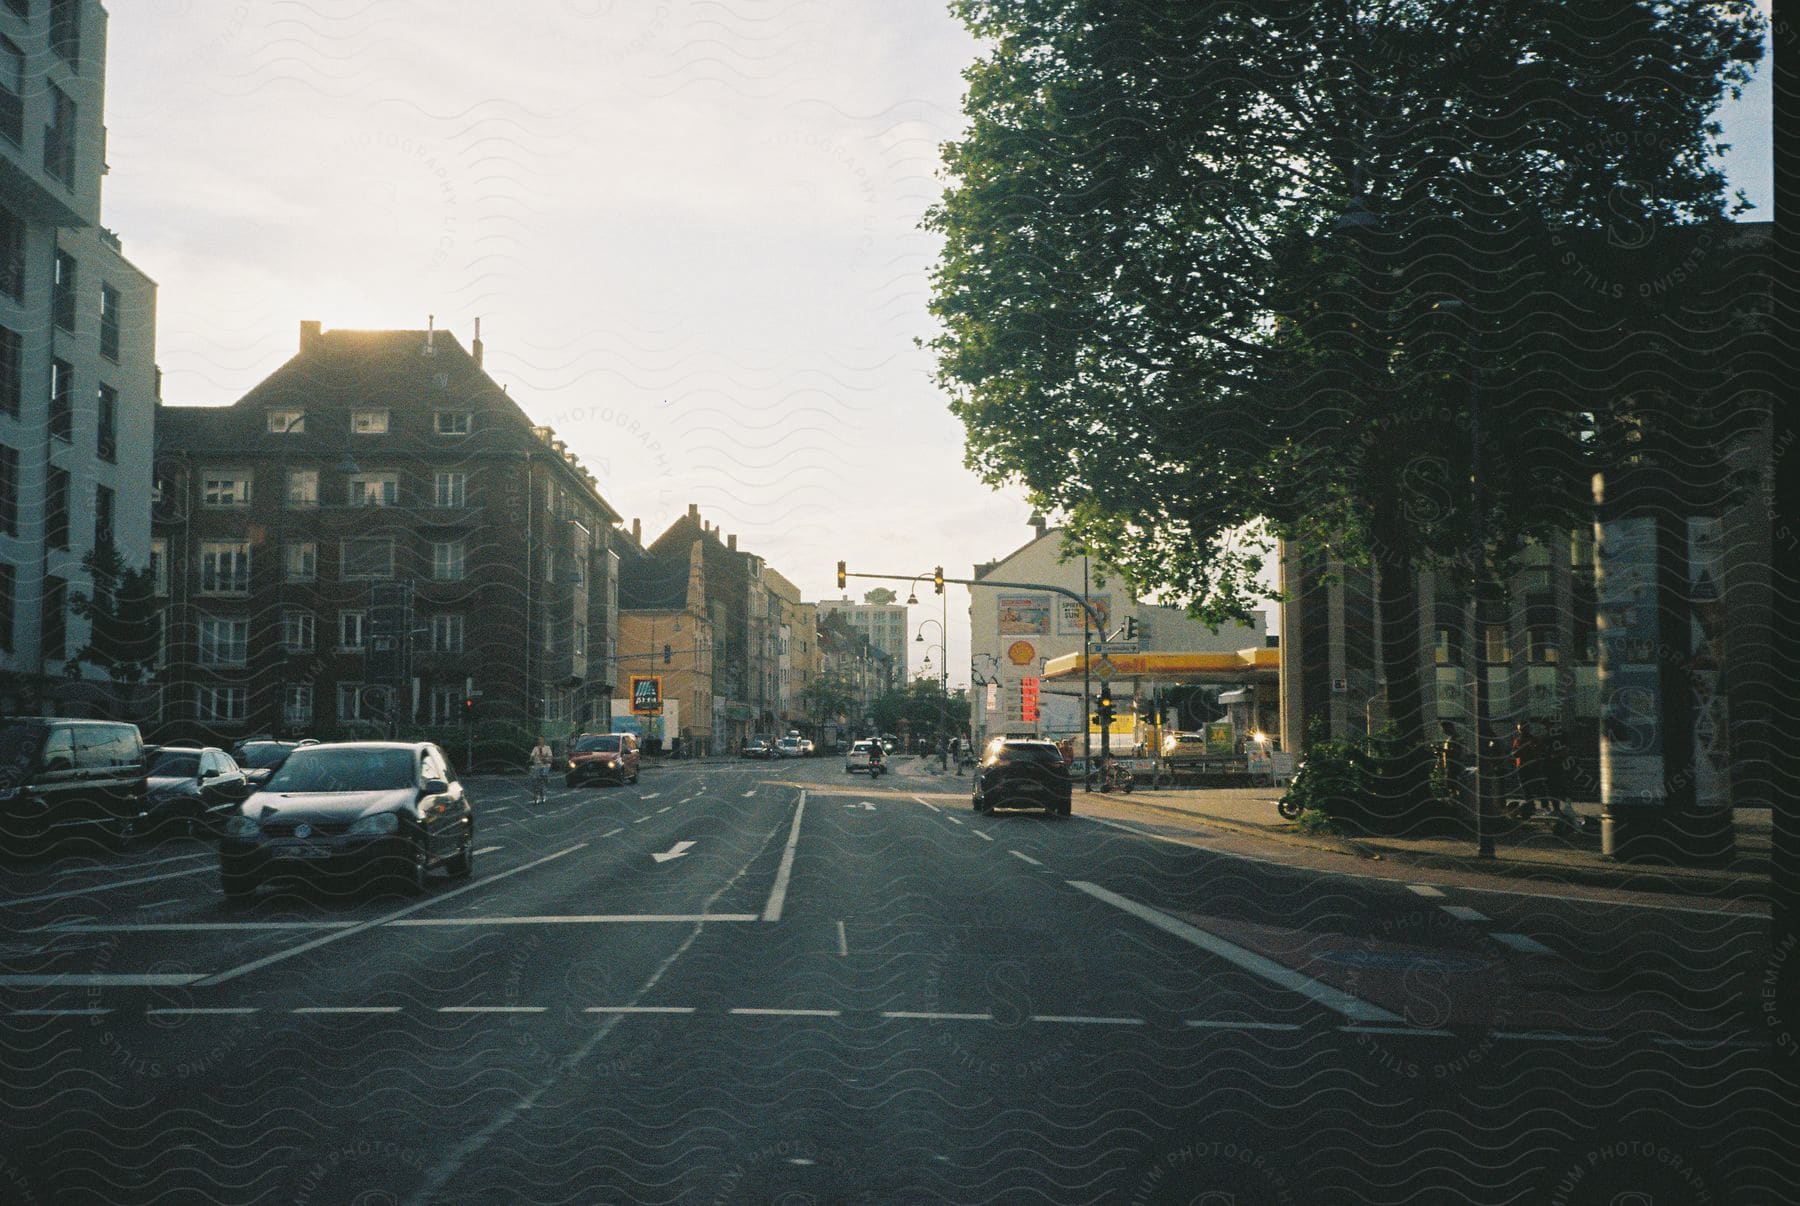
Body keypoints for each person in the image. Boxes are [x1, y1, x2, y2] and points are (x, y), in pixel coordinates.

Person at [528, 735, 553, 804]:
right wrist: (532, 758)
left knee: (543, 775)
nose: (540, 741)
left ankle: (546, 779)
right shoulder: (535, 748)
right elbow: (532, 755)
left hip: (545, 765)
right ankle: (536, 795)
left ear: (544, 740)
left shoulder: (547, 748)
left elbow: (550, 757)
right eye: (539, 739)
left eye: (541, 739)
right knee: (535, 780)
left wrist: (545, 759)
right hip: (537, 765)